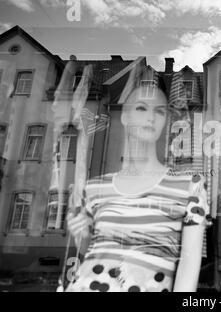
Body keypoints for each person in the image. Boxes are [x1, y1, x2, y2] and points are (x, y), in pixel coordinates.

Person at [65, 84, 210, 292]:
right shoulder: (95, 188)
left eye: (159, 111)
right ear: (124, 117)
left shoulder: (189, 185)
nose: (151, 117)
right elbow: (92, 250)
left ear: (165, 121)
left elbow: (189, 261)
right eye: (141, 108)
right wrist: (81, 235)